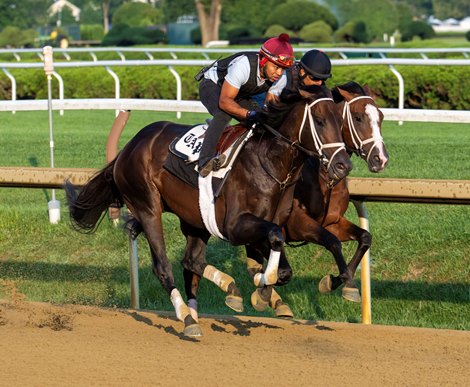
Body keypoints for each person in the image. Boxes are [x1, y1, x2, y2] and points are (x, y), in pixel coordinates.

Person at [196, 34, 295, 177]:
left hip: (241, 92)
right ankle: (204, 161)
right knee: (225, 113)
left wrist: (263, 115)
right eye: (275, 67)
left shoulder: (281, 76)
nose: (279, 73)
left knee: (265, 121)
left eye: (282, 68)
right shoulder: (243, 65)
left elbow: (268, 106)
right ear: (263, 60)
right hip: (213, 86)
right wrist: (249, 114)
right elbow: (225, 102)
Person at [267, 49, 332, 103]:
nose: (319, 83)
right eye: (315, 78)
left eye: (323, 79)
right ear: (302, 72)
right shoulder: (284, 77)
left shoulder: (320, 85)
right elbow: (269, 105)